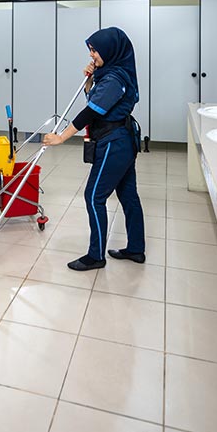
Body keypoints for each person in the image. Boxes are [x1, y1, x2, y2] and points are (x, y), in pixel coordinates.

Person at [43, 27, 146, 271]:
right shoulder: (111, 74)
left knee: (93, 196)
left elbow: (91, 112)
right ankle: (136, 249)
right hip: (122, 139)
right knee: (128, 195)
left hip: (114, 142)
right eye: (90, 50)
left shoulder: (113, 78)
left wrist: (61, 137)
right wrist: (90, 80)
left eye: (94, 50)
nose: (92, 55)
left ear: (110, 50)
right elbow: (95, 101)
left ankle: (96, 255)